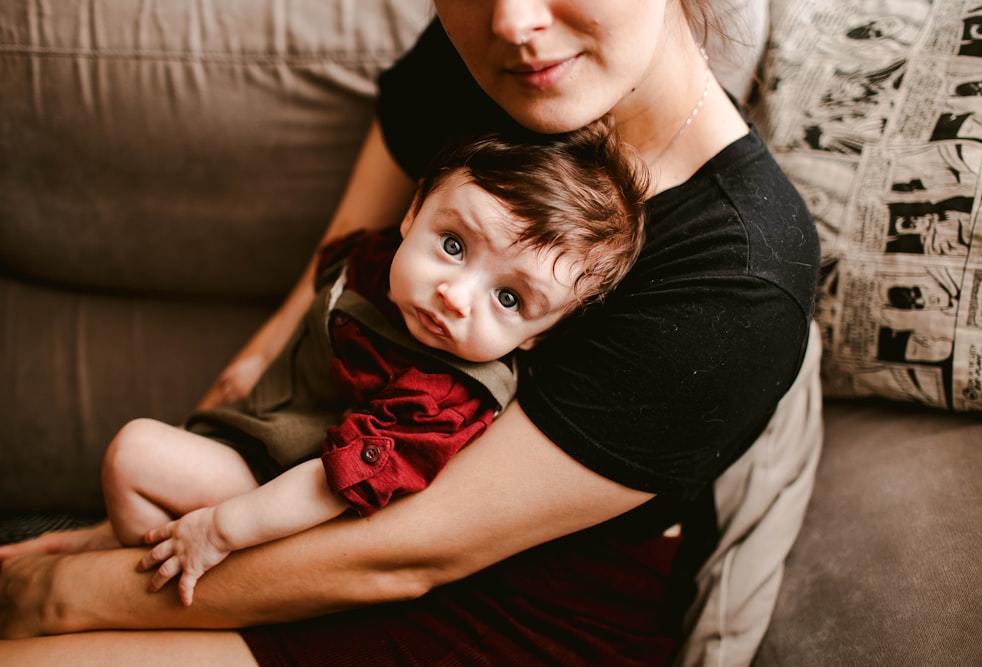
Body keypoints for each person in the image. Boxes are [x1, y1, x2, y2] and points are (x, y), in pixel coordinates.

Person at [0, 1, 821, 665]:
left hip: (496, 612)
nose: (511, 20)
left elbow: (404, 556)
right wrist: (191, 461)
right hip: (305, 496)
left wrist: (66, 593)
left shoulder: (742, 270)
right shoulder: (489, 56)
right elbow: (339, 272)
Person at [96, 120, 647, 608]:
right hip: (258, 433)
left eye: (509, 299)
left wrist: (218, 530)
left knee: (134, 454)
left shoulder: (446, 396)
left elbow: (333, 484)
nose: (456, 296)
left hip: (289, 498)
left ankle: (152, 582)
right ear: (413, 212)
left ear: (540, 335)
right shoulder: (374, 258)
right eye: (454, 245)